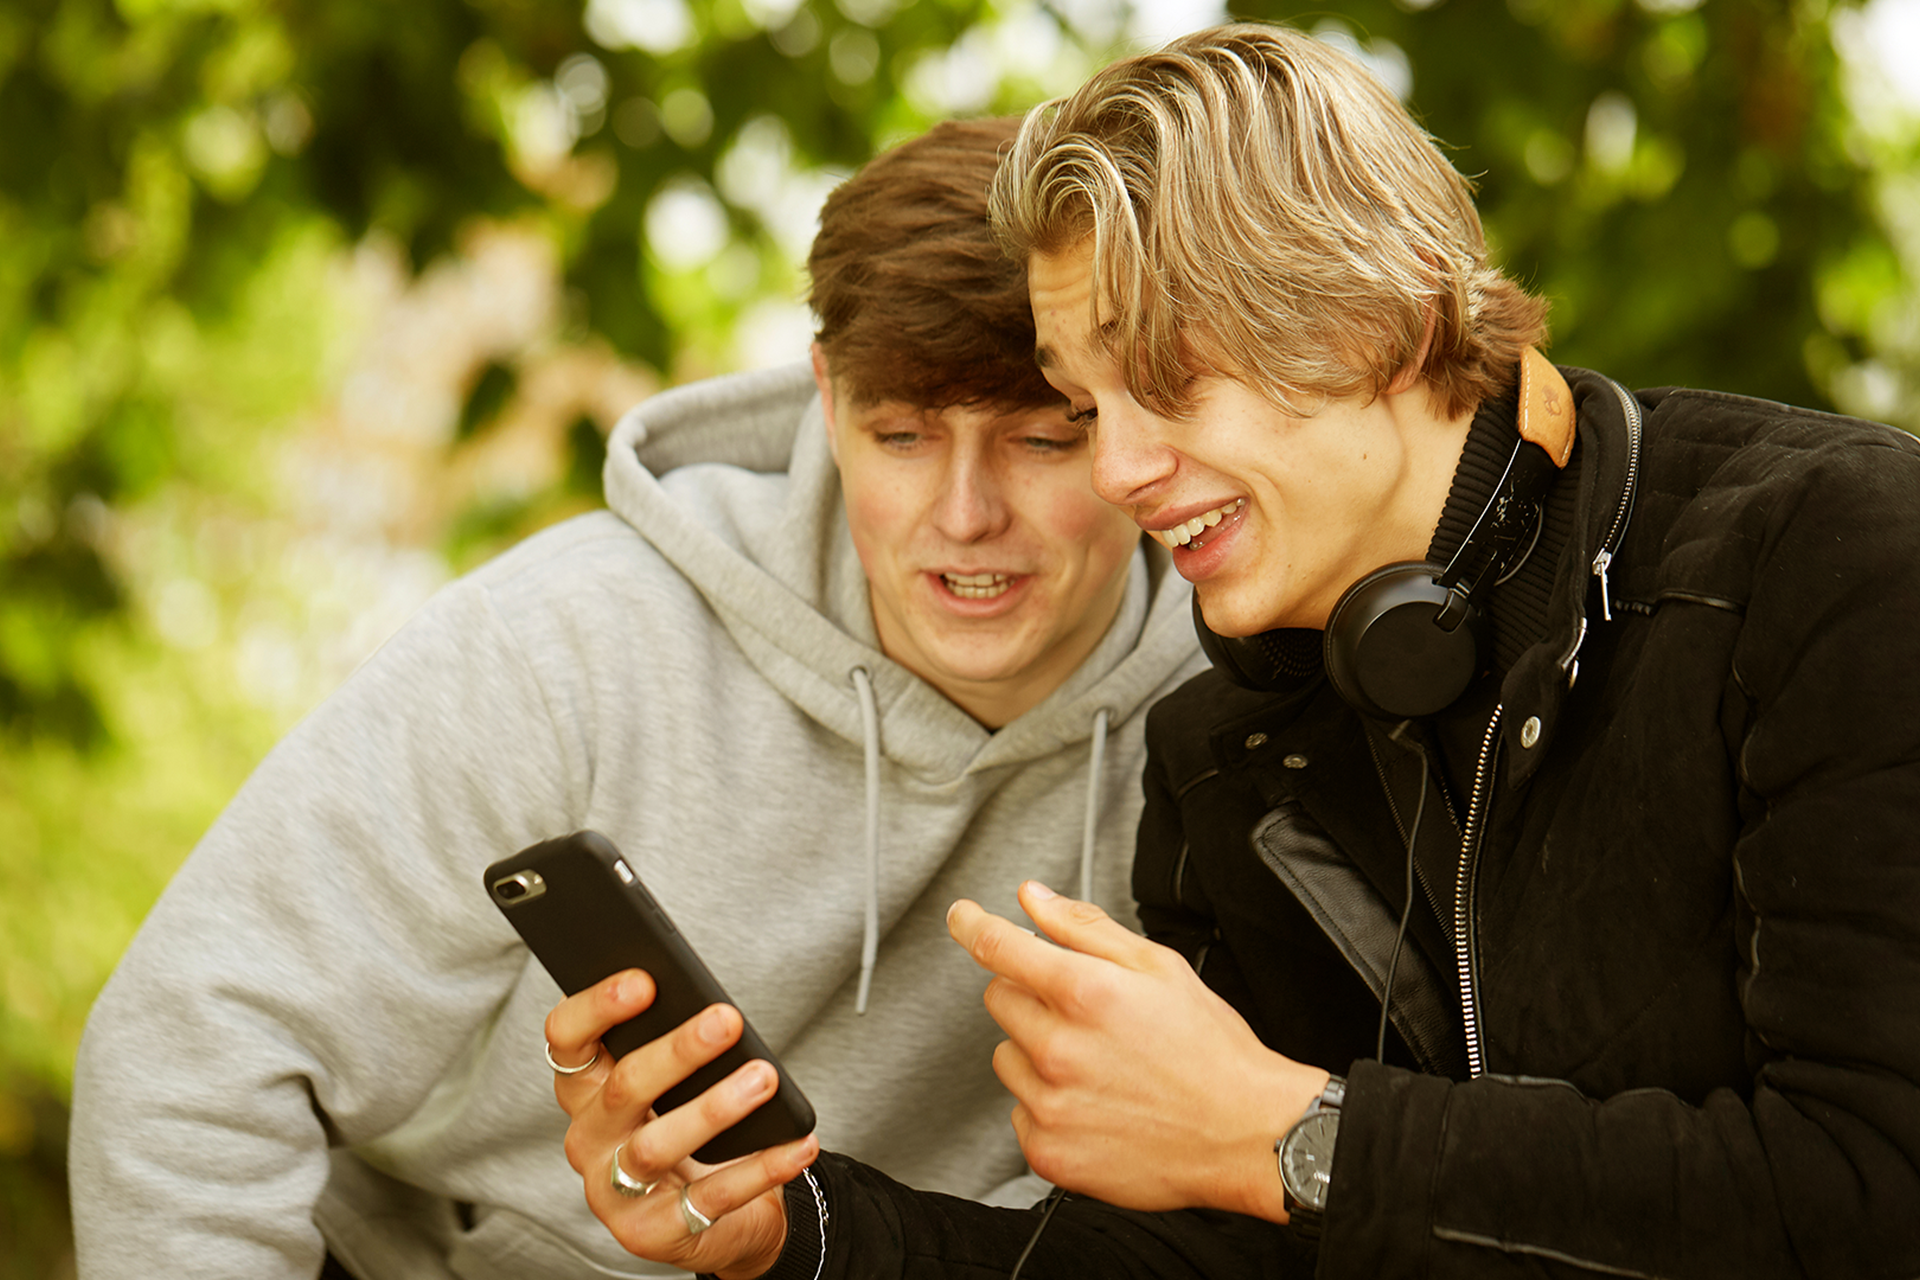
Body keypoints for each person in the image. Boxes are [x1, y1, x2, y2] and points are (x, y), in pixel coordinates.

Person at [542, 22, 1920, 1280]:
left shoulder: (1836, 557)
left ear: (1377, 316)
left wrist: (1293, 1133)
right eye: (1087, 406)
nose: (1123, 469)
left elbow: (1872, 1193)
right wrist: (796, 1230)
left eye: (1168, 383)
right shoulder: (1229, 751)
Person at [66, 117, 1208, 1280]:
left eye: (1039, 437)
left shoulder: (1236, 720)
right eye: (901, 435)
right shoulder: (567, 646)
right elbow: (196, 1043)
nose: (964, 514)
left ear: (1133, 415)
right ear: (825, 393)